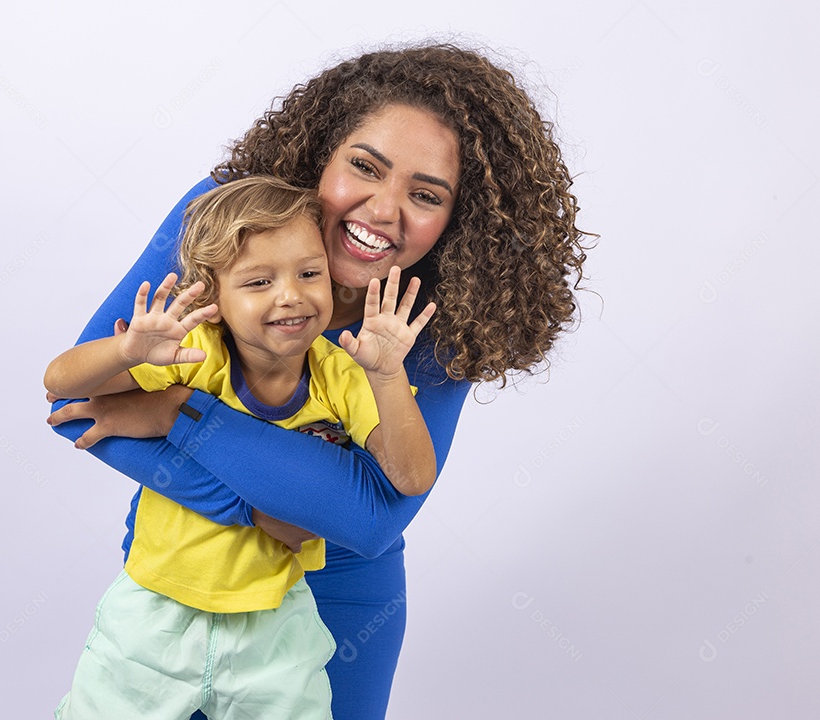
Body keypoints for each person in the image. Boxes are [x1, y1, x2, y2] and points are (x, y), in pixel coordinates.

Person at [47, 43, 590, 720]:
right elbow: (77, 399)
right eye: (365, 166)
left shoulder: (437, 319)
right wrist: (262, 513)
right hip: (176, 585)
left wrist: (181, 415)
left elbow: (369, 517)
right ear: (320, 156)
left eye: (426, 195)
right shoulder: (225, 224)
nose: (385, 210)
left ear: (459, 220)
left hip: (339, 608)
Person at [46, 176, 438, 719]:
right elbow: (61, 382)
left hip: (275, 625)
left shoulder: (344, 374)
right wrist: (126, 349)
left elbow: (412, 477)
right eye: (258, 281)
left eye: (309, 273)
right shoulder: (191, 354)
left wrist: (389, 376)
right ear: (213, 296)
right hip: (156, 611)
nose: (291, 295)